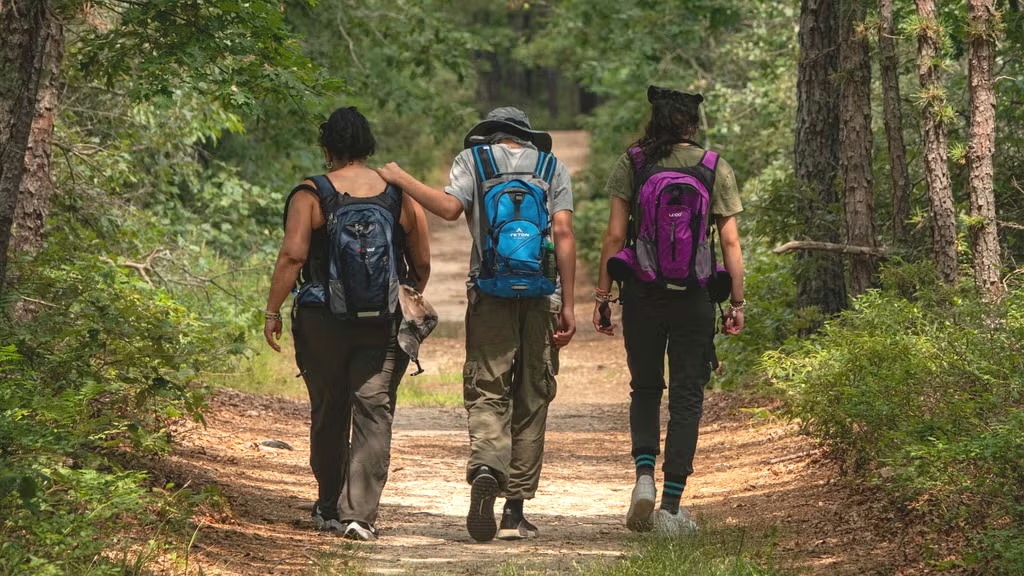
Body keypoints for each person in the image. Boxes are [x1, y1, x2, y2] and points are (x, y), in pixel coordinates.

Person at [375, 107, 576, 542]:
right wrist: (570, 305)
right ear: (526, 136)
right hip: (542, 294)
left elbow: (449, 209)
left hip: (488, 292)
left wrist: (400, 178)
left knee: (489, 388)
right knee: (533, 392)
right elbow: (563, 233)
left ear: (488, 135)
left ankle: (487, 465)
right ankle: (514, 512)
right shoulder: (551, 166)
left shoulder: (474, 161)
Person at [263, 106, 431, 541]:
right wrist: (398, 291)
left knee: (329, 408)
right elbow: (422, 262)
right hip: (382, 321)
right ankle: (360, 515)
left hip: (322, 319)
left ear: (327, 148)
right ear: (368, 145)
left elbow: (293, 256)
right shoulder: (398, 193)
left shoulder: (311, 193)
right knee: (373, 411)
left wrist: (272, 310)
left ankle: (328, 505)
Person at [592, 86, 745, 535]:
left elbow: (614, 237)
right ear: (692, 125)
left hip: (643, 293)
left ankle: (643, 477)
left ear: (653, 121)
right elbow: (731, 243)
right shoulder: (714, 166)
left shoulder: (634, 163)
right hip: (695, 297)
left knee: (644, 387)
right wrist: (736, 303)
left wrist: (603, 297)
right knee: (686, 397)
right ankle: (672, 506)